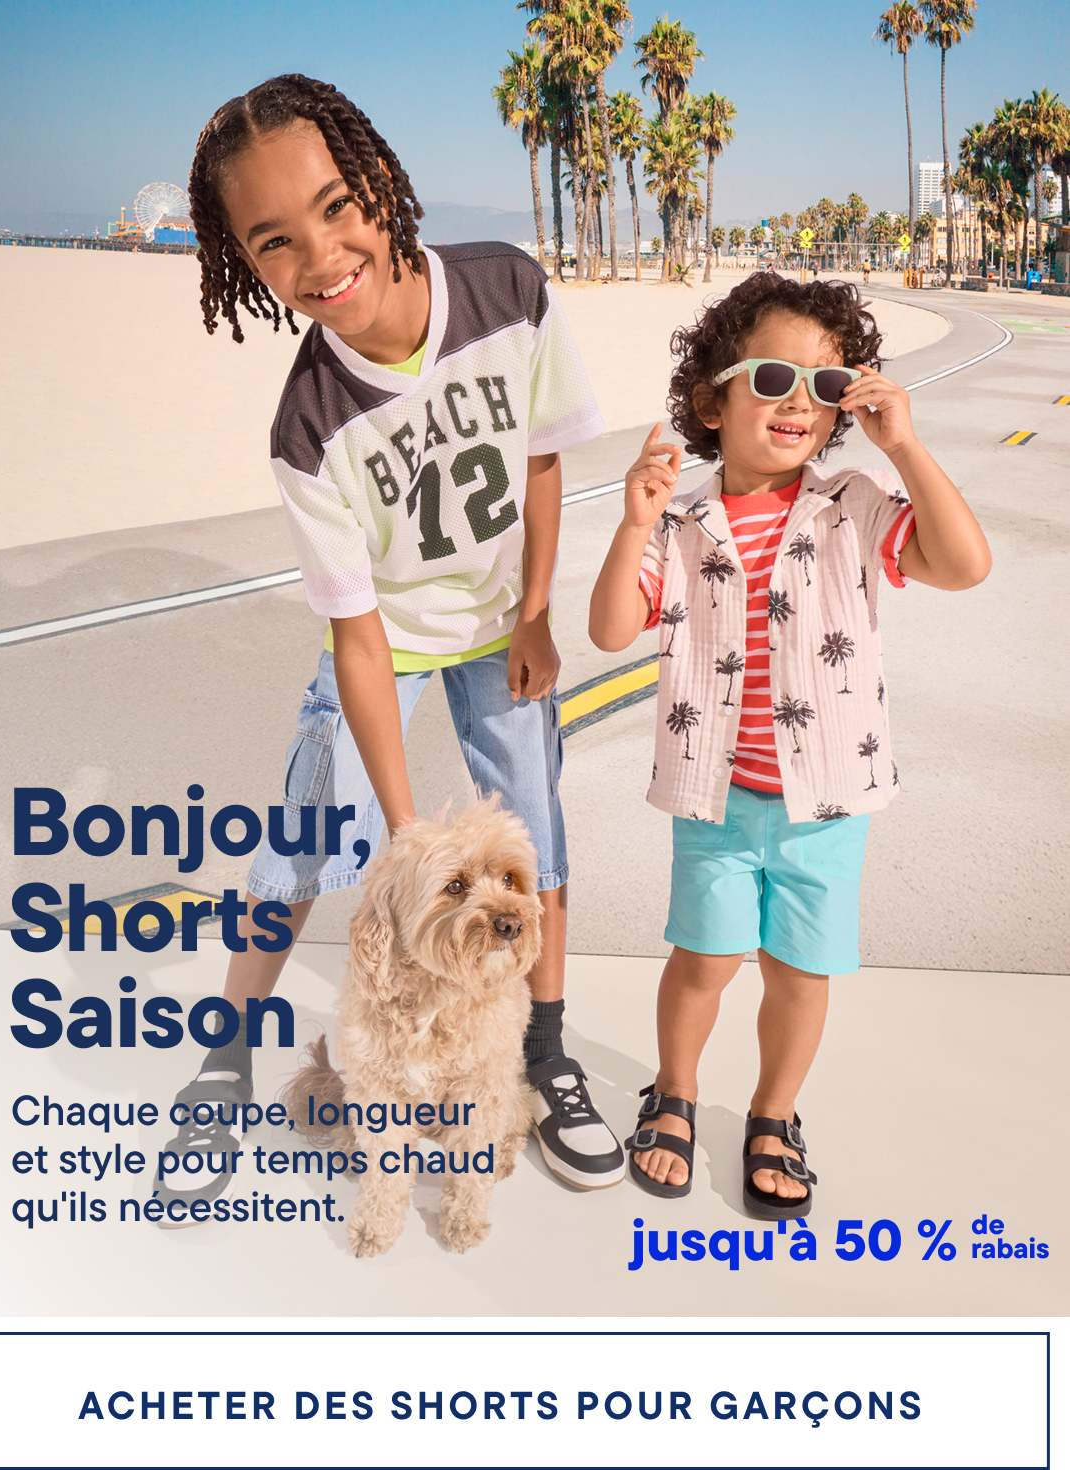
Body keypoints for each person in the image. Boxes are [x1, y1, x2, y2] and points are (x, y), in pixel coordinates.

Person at [157, 73, 625, 1215]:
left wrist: (535, 616)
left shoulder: (509, 289)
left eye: (332, 206)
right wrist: (407, 830)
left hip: (498, 622)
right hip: (393, 642)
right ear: (243, 264)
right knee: (311, 839)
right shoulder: (309, 426)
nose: (317, 256)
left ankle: (545, 1051)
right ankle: (224, 1060)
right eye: (272, 241)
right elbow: (359, 639)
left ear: (377, 180)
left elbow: (543, 460)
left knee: (537, 827)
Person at [589, 272, 990, 1213]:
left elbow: (963, 565)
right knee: (702, 963)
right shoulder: (683, 523)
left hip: (827, 805)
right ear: (711, 400)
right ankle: (675, 1092)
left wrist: (906, 445)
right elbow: (611, 628)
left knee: (800, 974)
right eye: (771, 378)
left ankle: (774, 1111)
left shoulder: (852, 501)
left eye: (823, 384)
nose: (797, 403)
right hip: (715, 800)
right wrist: (633, 523)